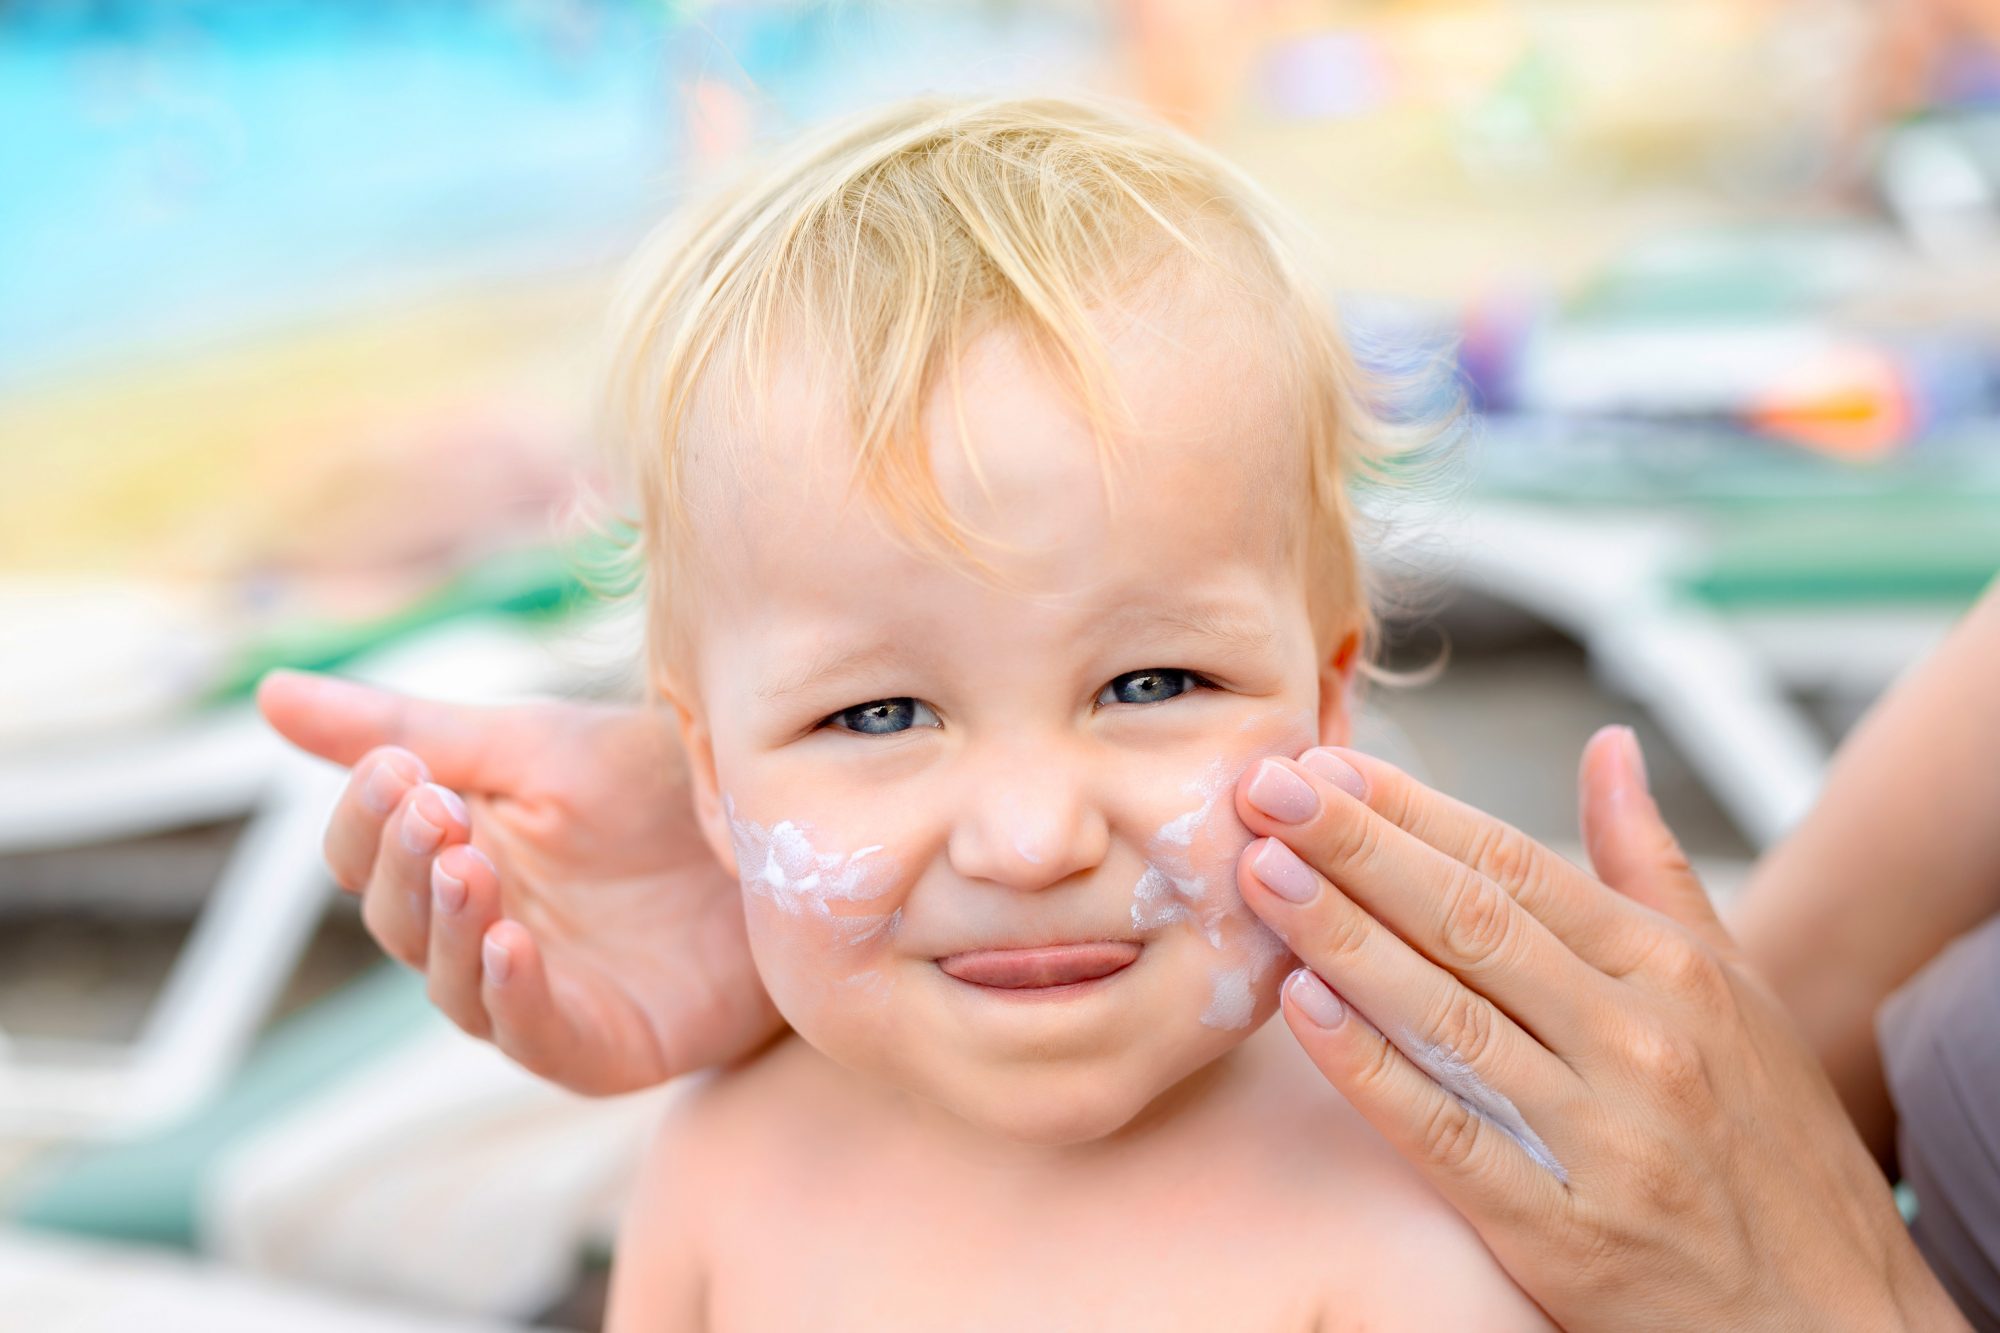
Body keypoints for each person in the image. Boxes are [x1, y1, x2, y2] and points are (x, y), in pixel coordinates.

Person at [250, 122, 2000, 1333]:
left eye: (1149, 684)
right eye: (875, 711)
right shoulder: (719, 1164)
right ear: (706, 776)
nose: (1028, 835)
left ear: (1327, 696)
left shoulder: (1422, 1211)